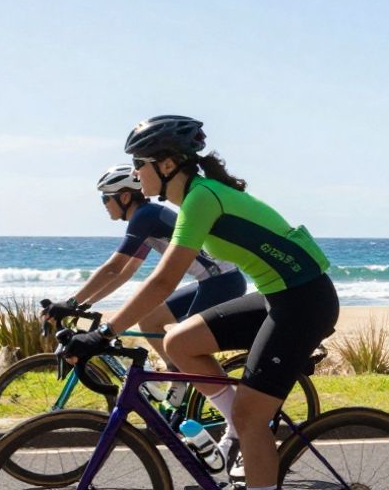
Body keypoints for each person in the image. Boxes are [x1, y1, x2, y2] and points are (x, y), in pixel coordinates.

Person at [63, 115, 339, 490]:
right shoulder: (194, 197)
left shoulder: (200, 200)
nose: (136, 173)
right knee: (178, 341)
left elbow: (165, 279)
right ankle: (236, 429)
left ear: (168, 163)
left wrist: (106, 332)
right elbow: (156, 280)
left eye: (141, 164)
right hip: (278, 295)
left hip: (304, 301)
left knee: (254, 419)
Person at [44, 166, 246, 407]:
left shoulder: (146, 216)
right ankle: (178, 378)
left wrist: (71, 303)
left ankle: (223, 403)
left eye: (105, 198)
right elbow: (124, 273)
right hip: (212, 281)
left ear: (125, 197)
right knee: (150, 319)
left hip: (223, 283)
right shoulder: (148, 220)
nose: (104, 204)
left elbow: (113, 268)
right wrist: (85, 304)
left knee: (183, 343)